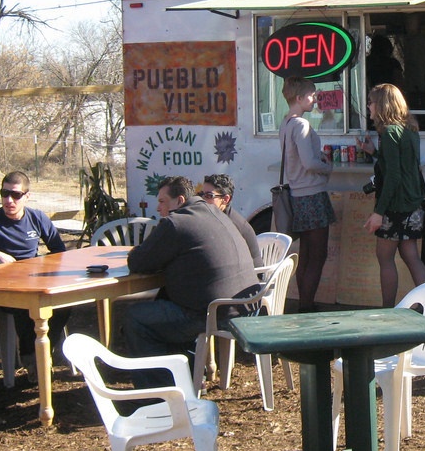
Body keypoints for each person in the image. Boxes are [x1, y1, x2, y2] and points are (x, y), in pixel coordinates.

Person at [125, 175, 254, 388]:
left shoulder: (176, 222)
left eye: (162, 202)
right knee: (166, 302)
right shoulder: (216, 213)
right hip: (245, 306)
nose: (158, 208)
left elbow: (138, 262)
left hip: (214, 313)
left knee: (136, 318)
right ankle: (188, 377)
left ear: (180, 201)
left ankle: (160, 393)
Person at [0, 170, 68, 381]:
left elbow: (60, 252)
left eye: (15, 195)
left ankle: (43, 352)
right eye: (4, 194)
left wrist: (48, 270)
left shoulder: (37, 218)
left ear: (27, 196)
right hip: (4, 290)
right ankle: (31, 361)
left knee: (64, 303)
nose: (9, 200)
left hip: (35, 283)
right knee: (24, 306)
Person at [357, 83, 425, 307]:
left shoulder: (389, 133)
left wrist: (379, 212)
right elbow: (404, 165)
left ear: (381, 104)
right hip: (414, 204)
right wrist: (375, 153)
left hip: (395, 205)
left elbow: (393, 176)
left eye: (371, 101)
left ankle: (388, 310)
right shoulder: (409, 130)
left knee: (385, 257)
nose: (368, 106)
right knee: (412, 257)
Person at [279, 77, 334, 313]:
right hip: (311, 194)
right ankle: (306, 306)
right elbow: (309, 162)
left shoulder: (286, 122)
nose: (315, 98)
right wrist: (327, 166)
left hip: (297, 194)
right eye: (312, 95)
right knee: (317, 255)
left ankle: (305, 304)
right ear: (299, 98)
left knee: (306, 254)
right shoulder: (301, 124)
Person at [199, 174, 265, 269]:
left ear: (225, 199)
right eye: (201, 194)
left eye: (209, 196)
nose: (203, 200)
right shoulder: (219, 217)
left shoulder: (231, 224)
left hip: (249, 276)